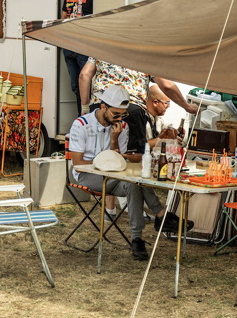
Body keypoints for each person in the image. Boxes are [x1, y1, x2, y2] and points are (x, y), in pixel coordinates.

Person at [67, 85, 191, 261]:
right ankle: (161, 215)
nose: (119, 119)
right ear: (103, 107)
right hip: (86, 174)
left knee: (133, 184)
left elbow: (119, 160)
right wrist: (106, 161)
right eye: (116, 114)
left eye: (122, 115)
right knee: (133, 181)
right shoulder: (81, 124)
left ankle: (137, 238)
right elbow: (78, 163)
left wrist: (114, 141)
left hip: (113, 174)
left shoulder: (122, 126)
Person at [61, 0, 94, 116]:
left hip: (86, 46)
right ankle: (81, 120)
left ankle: (90, 119)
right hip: (69, 45)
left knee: (88, 85)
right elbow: (63, 16)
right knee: (75, 86)